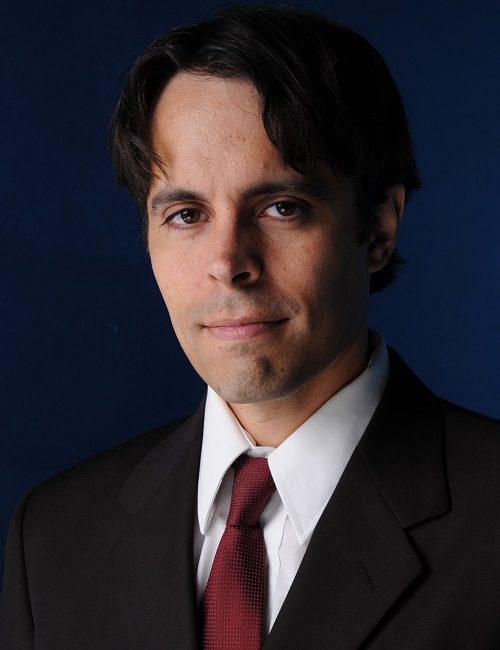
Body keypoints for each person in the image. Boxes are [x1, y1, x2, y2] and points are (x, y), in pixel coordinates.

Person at [1, 5, 499, 649]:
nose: (228, 265)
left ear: (377, 228)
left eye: (282, 207)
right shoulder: (53, 538)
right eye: (186, 214)